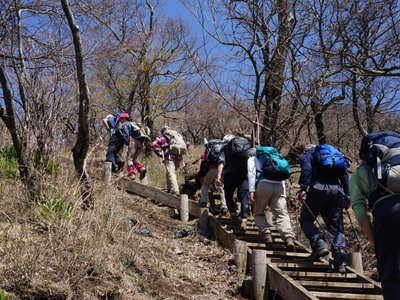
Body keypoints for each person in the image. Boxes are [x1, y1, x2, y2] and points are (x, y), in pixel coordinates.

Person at [350, 131, 400, 299]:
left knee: (391, 274)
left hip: (387, 214)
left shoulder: (361, 172)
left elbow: (359, 208)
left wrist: (374, 240)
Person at [297, 144, 350, 273]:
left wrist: (303, 188)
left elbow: (307, 170)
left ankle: (319, 243)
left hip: (317, 189)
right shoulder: (334, 157)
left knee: (306, 219)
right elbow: (345, 176)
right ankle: (340, 261)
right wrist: (348, 195)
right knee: (336, 226)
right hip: (337, 191)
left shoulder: (308, 156)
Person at [248, 146, 295, 248]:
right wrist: (284, 194)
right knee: (282, 214)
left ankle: (266, 234)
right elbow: (282, 177)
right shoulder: (277, 158)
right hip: (279, 186)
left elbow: (251, 174)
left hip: (263, 185)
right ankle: (288, 237)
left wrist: (251, 190)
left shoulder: (252, 159)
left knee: (259, 212)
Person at [216, 135, 252, 223]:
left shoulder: (225, 148)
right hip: (244, 174)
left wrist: (219, 176)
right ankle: (244, 216)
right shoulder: (246, 146)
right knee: (244, 195)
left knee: (228, 194)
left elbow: (221, 162)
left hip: (230, 174)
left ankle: (233, 213)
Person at [151, 126, 186, 195]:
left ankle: (175, 190)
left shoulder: (163, 138)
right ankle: (170, 188)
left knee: (171, 173)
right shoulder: (176, 136)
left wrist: (160, 154)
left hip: (169, 157)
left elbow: (154, 144)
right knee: (169, 172)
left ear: (162, 131)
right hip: (178, 158)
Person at [198, 139, 228, 213]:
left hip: (212, 169)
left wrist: (202, 174)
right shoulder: (223, 149)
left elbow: (204, 162)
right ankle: (224, 205)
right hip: (223, 170)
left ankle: (203, 202)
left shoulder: (209, 150)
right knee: (221, 186)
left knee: (205, 184)